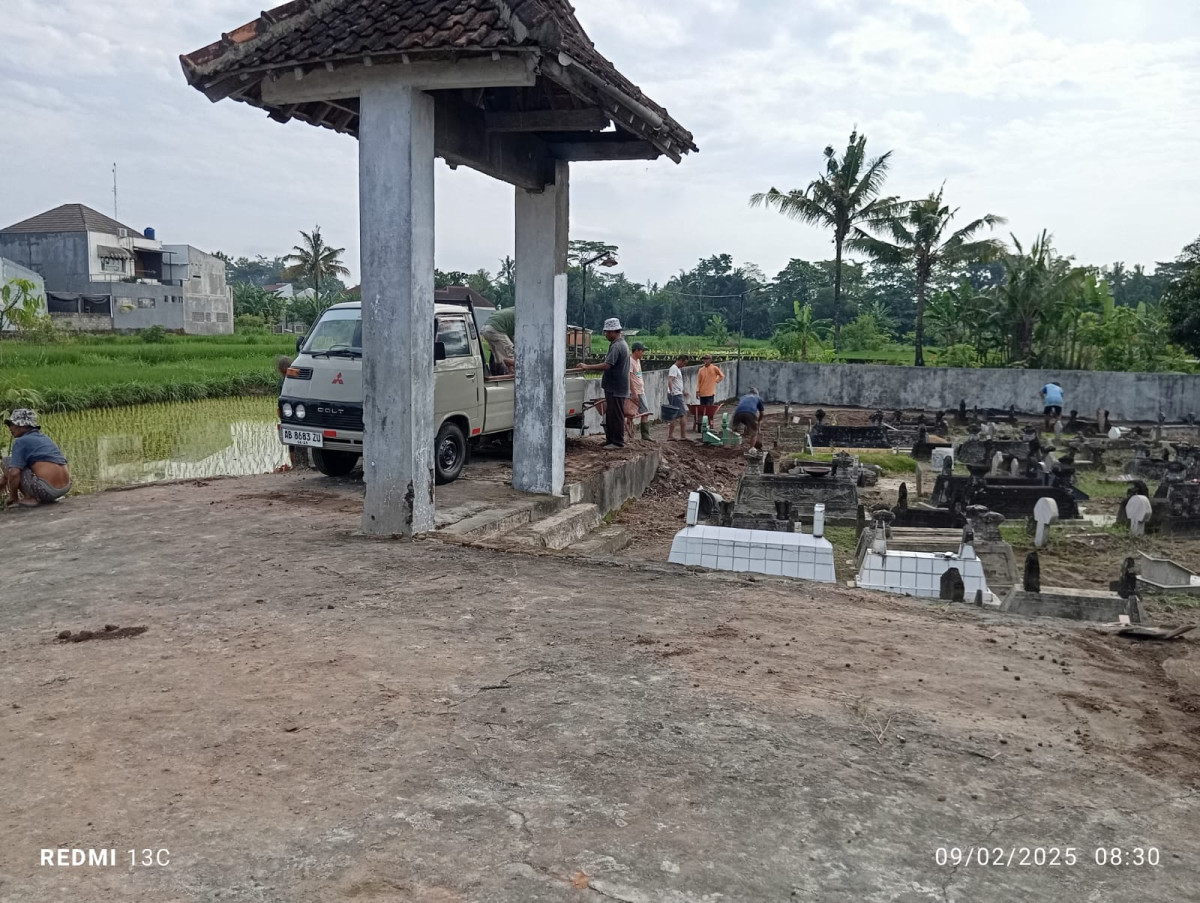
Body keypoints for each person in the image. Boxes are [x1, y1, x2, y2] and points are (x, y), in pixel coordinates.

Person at [4, 409, 71, 508]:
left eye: (11, 424)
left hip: (47, 490)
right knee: (18, 464)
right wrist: (4, 479)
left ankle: (30, 498)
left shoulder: (21, 441)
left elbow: (14, 473)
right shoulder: (44, 437)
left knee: (7, 461)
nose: (10, 428)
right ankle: (42, 496)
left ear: (22, 426)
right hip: (65, 487)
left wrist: (13, 497)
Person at [579, 318, 630, 449]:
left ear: (614, 331)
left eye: (607, 332)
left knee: (616, 415)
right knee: (611, 414)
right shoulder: (618, 344)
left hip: (616, 387)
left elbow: (607, 365)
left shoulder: (617, 346)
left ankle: (617, 442)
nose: (605, 335)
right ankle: (610, 439)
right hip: (614, 387)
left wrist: (587, 367)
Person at [626, 342, 652, 441]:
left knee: (643, 413)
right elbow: (629, 378)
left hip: (641, 391)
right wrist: (634, 393)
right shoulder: (630, 361)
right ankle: (632, 435)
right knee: (632, 414)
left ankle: (644, 436)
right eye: (642, 351)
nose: (643, 353)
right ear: (636, 350)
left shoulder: (637, 361)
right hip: (635, 392)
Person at [482, 307, 516, 375]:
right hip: (495, 330)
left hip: (485, 329)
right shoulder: (521, 314)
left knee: (498, 358)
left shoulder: (512, 310)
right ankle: (511, 376)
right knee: (510, 354)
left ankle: (496, 375)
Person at [665, 354, 688, 441]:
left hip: (677, 393)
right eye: (684, 363)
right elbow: (670, 379)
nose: (684, 365)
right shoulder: (674, 368)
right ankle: (682, 436)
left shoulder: (676, 369)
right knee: (682, 415)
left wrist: (683, 391)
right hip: (675, 395)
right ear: (681, 360)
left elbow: (677, 383)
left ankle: (671, 435)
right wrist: (672, 391)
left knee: (674, 415)